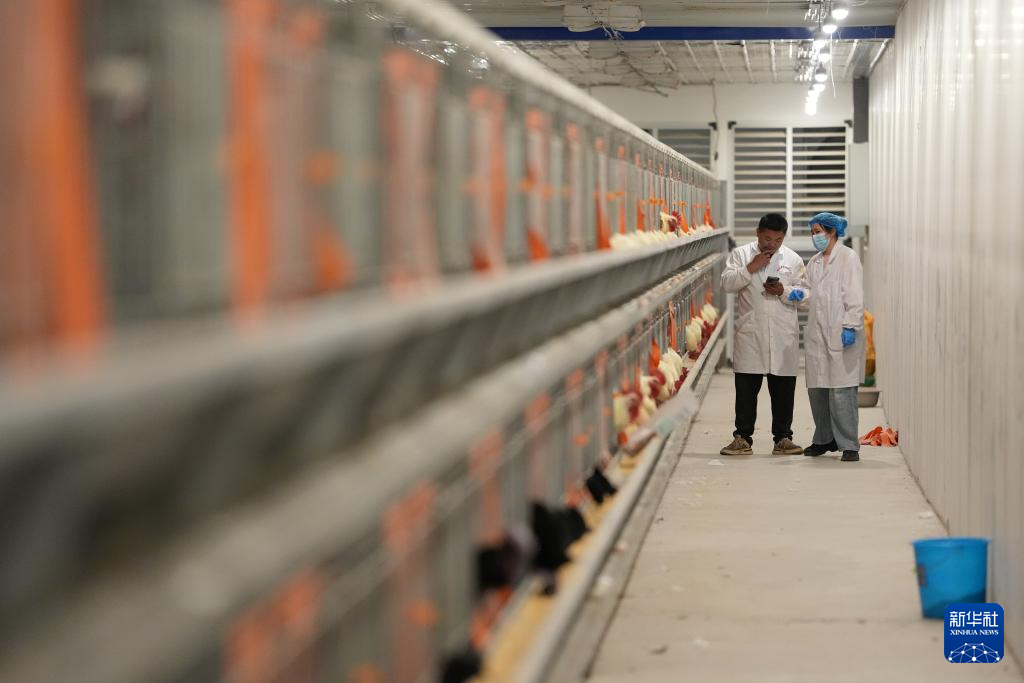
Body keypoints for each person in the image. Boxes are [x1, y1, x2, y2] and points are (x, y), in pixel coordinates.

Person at [719, 213, 807, 456]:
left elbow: (805, 294)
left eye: (778, 240)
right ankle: (742, 438)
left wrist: (783, 291)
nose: (772, 244)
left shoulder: (793, 259)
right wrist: (751, 267)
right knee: (746, 391)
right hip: (751, 334)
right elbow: (726, 284)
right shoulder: (741, 254)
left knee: (783, 391)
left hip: (782, 335)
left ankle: (783, 438)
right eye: (767, 239)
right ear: (758, 233)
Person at [798, 212, 865, 462]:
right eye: (812, 233)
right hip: (817, 334)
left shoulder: (848, 258)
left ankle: (849, 444)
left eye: (817, 232)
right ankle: (824, 439)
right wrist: (798, 295)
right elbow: (809, 292)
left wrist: (850, 325)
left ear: (832, 231)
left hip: (840, 331)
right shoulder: (814, 262)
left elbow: (854, 295)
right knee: (818, 390)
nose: (814, 237)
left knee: (841, 391)